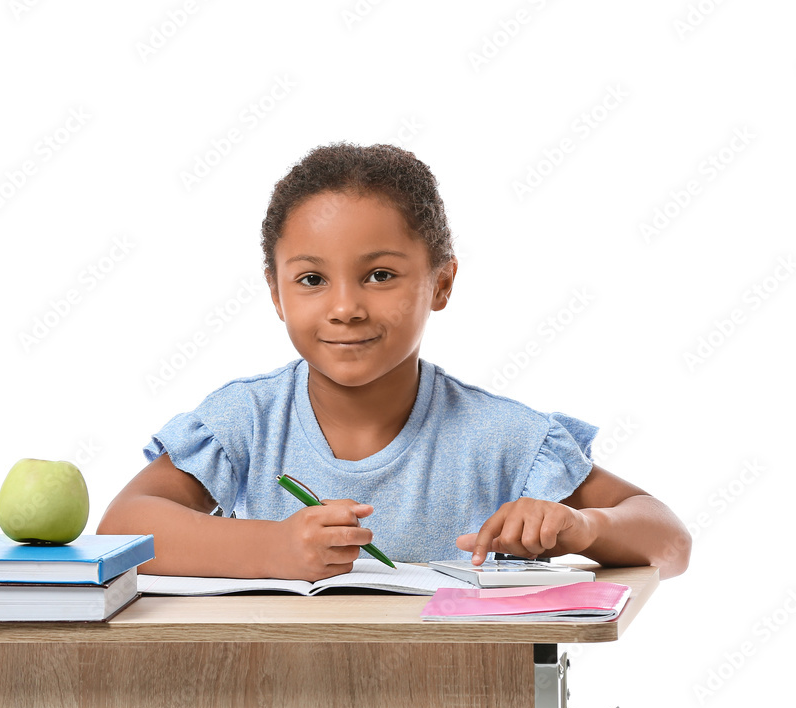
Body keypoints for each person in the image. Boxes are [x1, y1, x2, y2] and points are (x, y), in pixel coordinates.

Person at [98, 143, 691, 581]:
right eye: (311, 279)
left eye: (380, 275)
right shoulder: (246, 419)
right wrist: (271, 548)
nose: (345, 308)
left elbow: (670, 539)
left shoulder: (500, 437)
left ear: (441, 282)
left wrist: (583, 529)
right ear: (277, 293)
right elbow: (124, 525)